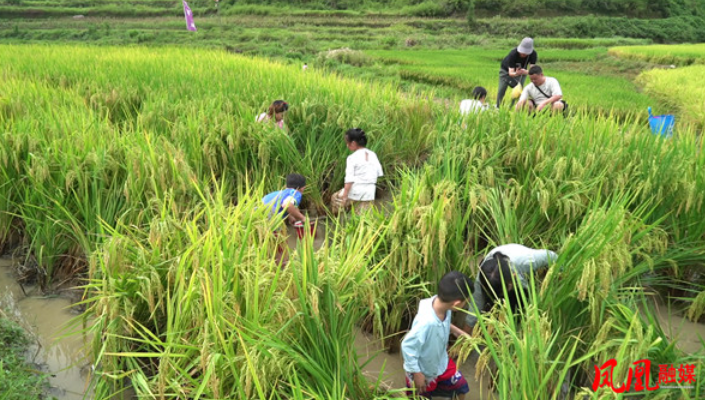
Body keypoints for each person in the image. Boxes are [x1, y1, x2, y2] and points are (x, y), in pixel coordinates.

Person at [402, 271, 473, 399]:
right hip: (423, 369)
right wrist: (417, 373)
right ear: (456, 303)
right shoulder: (426, 322)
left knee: (461, 387)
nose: (465, 305)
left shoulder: (441, 304)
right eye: (465, 302)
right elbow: (407, 346)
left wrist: (457, 331)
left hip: (442, 362)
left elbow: (444, 323)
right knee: (419, 396)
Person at [464, 244, 558, 333]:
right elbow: (475, 306)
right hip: (501, 279)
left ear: (514, 276)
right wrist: (463, 336)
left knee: (520, 303)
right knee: (488, 303)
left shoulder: (528, 260)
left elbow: (552, 256)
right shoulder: (482, 278)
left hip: (518, 266)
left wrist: (561, 275)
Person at [331, 128, 383, 214]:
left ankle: (337, 221)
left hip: (355, 191)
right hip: (369, 192)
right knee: (364, 219)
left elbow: (349, 180)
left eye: (347, 143)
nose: (347, 145)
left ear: (353, 143)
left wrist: (344, 197)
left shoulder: (352, 158)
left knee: (335, 198)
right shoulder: (373, 155)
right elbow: (378, 173)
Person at [496, 37, 537, 108]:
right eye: (522, 52)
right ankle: (498, 107)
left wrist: (525, 72)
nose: (523, 54)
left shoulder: (533, 54)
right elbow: (511, 73)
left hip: (522, 72)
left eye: (525, 53)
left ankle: (513, 108)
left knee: (518, 91)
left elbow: (533, 71)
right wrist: (517, 73)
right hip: (506, 71)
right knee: (501, 90)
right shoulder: (513, 54)